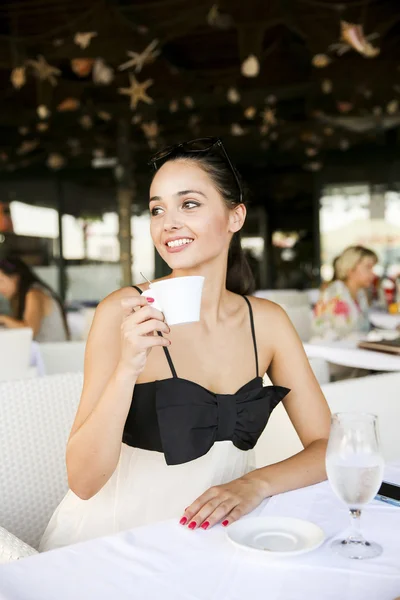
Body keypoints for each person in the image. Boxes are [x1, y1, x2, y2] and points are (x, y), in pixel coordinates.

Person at [39, 137, 330, 552]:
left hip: (222, 538)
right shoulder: (122, 311)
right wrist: (128, 366)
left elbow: (326, 448)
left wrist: (254, 484)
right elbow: (83, 483)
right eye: (157, 209)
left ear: (235, 216)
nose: (167, 223)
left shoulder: (267, 322)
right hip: (118, 539)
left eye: (188, 204)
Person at [312, 246, 378, 341]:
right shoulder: (335, 293)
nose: (373, 274)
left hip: (352, 350)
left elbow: (362, 328)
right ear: (350, 268)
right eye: (368, 267)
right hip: (332, 351)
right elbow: (329, 334)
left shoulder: (360, 293)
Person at [0, 256, 69, 342]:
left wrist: (3, 319)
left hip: (52, 351)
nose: (0, 287)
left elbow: (30, 330)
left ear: (15, 278)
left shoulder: (34, 294)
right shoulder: (20, 298)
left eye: (1, 280)